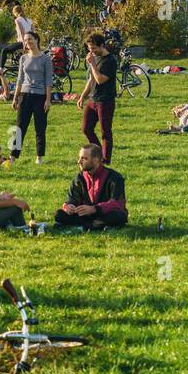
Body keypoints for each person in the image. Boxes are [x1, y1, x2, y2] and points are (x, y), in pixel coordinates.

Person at [55, 144, 127, 230]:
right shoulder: (79, 178)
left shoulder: (114, 178)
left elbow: (117, 203)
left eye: (84, 158)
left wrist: (95, 209)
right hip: (85, 216)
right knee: (59, 214)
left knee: (117, 216)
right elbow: (72, 199)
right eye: (79, 158)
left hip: (104, 214)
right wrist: (69, 206)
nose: (79, 162)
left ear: (96, 160)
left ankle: (85, 226)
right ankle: (93, 226)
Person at [10, 30, 52, 163]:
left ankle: (39, 156)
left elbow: (48, 81)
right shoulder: (23, 58)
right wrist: (15, 97)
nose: (28, 42)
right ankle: (13, 156)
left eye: (30, 39)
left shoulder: (46, 59)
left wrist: (48, 100)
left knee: (40, 127)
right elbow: (19, 79)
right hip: (25, 95)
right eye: (26, 40)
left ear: (37, 40)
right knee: (19, 126)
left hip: (40, 96)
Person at [77, 32, 117, 164]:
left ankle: (106, 160)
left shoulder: (110, 61)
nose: (91, 51)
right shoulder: (95, 58)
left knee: (105, 131)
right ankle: (99, 154)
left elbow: (100, 79)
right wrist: (82, 96)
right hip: (92, 100)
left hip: (105, 100)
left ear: (102, 46)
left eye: (94, 48)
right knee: (86, 129)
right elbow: (91, 79)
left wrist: (92, 64)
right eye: (89, 49)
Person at [1, 4, 33, 71]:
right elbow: (33, 32)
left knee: (4, 50)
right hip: (31, 41)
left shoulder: (17, 20)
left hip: (23, 42)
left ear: (15, 12)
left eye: (14, 13)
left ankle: (1, 68)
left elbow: (22, 32)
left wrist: (24, 44)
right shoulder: (29, 20)